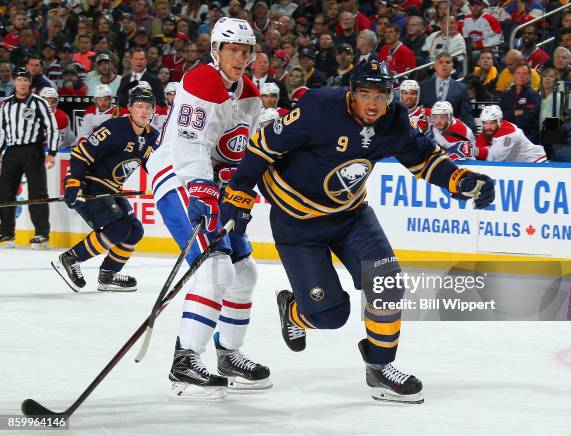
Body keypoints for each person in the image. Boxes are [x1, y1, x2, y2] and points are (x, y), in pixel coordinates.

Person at [219, 60, 495, 403]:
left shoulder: (393, 120)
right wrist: (239, 189)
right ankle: (294, 311)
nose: (373, 104)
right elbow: (263, 145)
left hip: (351, 216)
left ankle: (379, 368)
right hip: (297, 223)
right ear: (352, 92)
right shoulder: (320, 107)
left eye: (381, 96)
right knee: (330, 316)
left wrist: (460, 179)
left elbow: (423, 159)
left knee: (388, 282)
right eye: (365, 93)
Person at [146, 17, 271, 400]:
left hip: (213, 184)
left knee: (244, 272)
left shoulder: (249, 92)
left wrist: (238, 192)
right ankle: (185, 362)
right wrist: (202, 190)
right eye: (231, 49)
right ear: (216, 50)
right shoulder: (201, 79)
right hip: (179, 177)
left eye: (244, 51)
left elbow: (238, 152)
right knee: (214, 266)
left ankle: (229, 355)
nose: (238, 57)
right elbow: (189, 143)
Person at [51, 86, 158, 292]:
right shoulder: (114, 128)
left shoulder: (152, 136)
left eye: (148, 107)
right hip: (88, 183)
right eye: (139, 106)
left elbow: (155, 165)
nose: (144, 111)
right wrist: (73, 183)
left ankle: (107, 275)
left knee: (135, 231)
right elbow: (81, 155)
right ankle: (70, 258)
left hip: (112, 188)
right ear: (130, 108)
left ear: (153, 111)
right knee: (118, 229)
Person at [0, 68, 59, 249]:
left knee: (37, 193)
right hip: (11, 151)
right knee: (5, 192)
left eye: (26, 80)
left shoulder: (39, 102)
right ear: (14, 82)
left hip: (33, 150)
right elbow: (2, 130)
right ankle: (6, 233)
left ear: (29, 82)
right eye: (19, 80)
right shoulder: (6, 104)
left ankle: (41, 234)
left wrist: (52, 152)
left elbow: (52, 128)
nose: (22, 83)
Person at [475, 105, 547, 162]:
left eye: (491, 123)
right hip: (516, 166)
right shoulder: (487, 131)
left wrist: (475, 151)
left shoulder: (508, 132)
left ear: (499, 121)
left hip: (535, 162)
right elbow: (478, 150)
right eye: (485, 123)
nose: (488, 127)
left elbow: (497, 157)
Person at [420, 52, 474, 129]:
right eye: (441, 62)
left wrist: (468, 135)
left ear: (452, 66)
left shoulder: (461, 89)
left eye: (448, 62)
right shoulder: (423, 86)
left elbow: (466, 116)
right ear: (435, 66)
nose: (444, 64)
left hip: (452, 133)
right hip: (428, 133)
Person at [499, 62, 541, 143]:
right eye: (518, 73)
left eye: (524, 73)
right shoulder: (506, 94)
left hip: (526, 136)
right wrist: (515, 113)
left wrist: (509, 120)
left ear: (529, 77)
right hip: (506, 135)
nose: (521, 76)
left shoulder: (533, 96)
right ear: (513, 76)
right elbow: (500, 115)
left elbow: (529, 119)